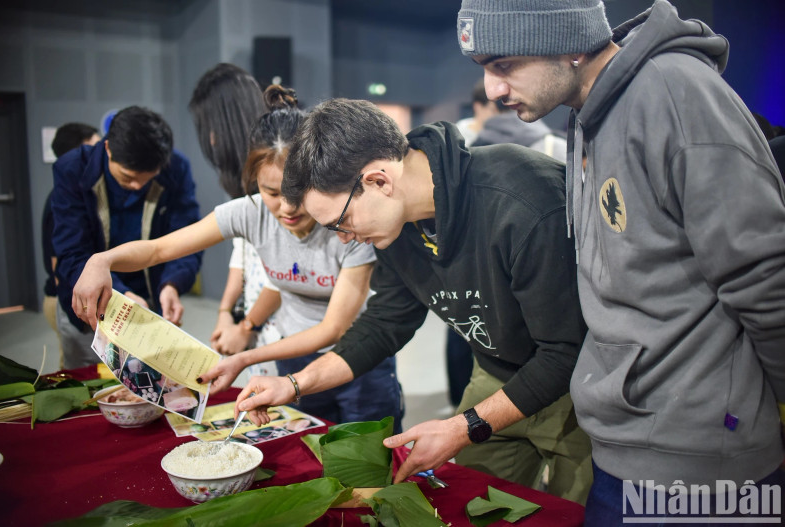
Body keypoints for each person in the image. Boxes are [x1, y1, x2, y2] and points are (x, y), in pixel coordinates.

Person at [457, 0, 785, 522]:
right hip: (625, 446)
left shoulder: (673, 92)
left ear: (566, 42)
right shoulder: (589, 113)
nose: (494, 91)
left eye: (503, 64)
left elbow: (765, 276)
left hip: (700, 461)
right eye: (484, 71)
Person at [234, 97, 592, 503]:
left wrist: (462, 427)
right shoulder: (397, 223)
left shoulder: (522, 203)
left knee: (575, 508)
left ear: (379, 181)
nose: (345, 238)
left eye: (342, 223)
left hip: (580, 388)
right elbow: (386, 322)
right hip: (498, 372)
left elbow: (564, 352)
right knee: (472, 504)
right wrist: (294, 384)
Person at [71, 86, 405, 432]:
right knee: (314, 449)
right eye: (272, 193)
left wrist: (244, 355)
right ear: (254, 182)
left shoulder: (348, 223)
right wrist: (101, 261)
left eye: (296, 192)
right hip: (293, 355)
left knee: (370, 460)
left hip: (357, 357)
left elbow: (332, 329)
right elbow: (158, 249)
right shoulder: (250, 213)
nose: (287, 208)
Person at [51, 106, 202, 369]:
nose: (137, 187)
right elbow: (71, 254)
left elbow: (186, 238)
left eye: (147, 180)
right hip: (89, 308)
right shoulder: (73, 169)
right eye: (128, 178)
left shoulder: (175, 169)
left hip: (148, 305)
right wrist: (122, 296)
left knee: (147, 386)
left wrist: (172, 285)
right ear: (108, 148)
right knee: (89, 389)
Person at [188, 63, 280, 369]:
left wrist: (245, 328)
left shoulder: (275, 175)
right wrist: (225, 312)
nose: (211, 141)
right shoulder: (243, 181)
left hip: (284, 333)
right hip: (261, 329)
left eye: (211, 128)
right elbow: (242, 253)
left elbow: (284, 272)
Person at [42, 122, 101, 368]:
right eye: (95, 149)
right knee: (78, 374)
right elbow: (61, 264)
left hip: (80, 301)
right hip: (68, 300)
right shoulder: (64, 200)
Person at [454, 78, 501, 147]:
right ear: (478, 107)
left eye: (499, 111)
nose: (497, 115)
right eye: (492, 110)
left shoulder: (499, 133)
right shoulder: (458, 133)